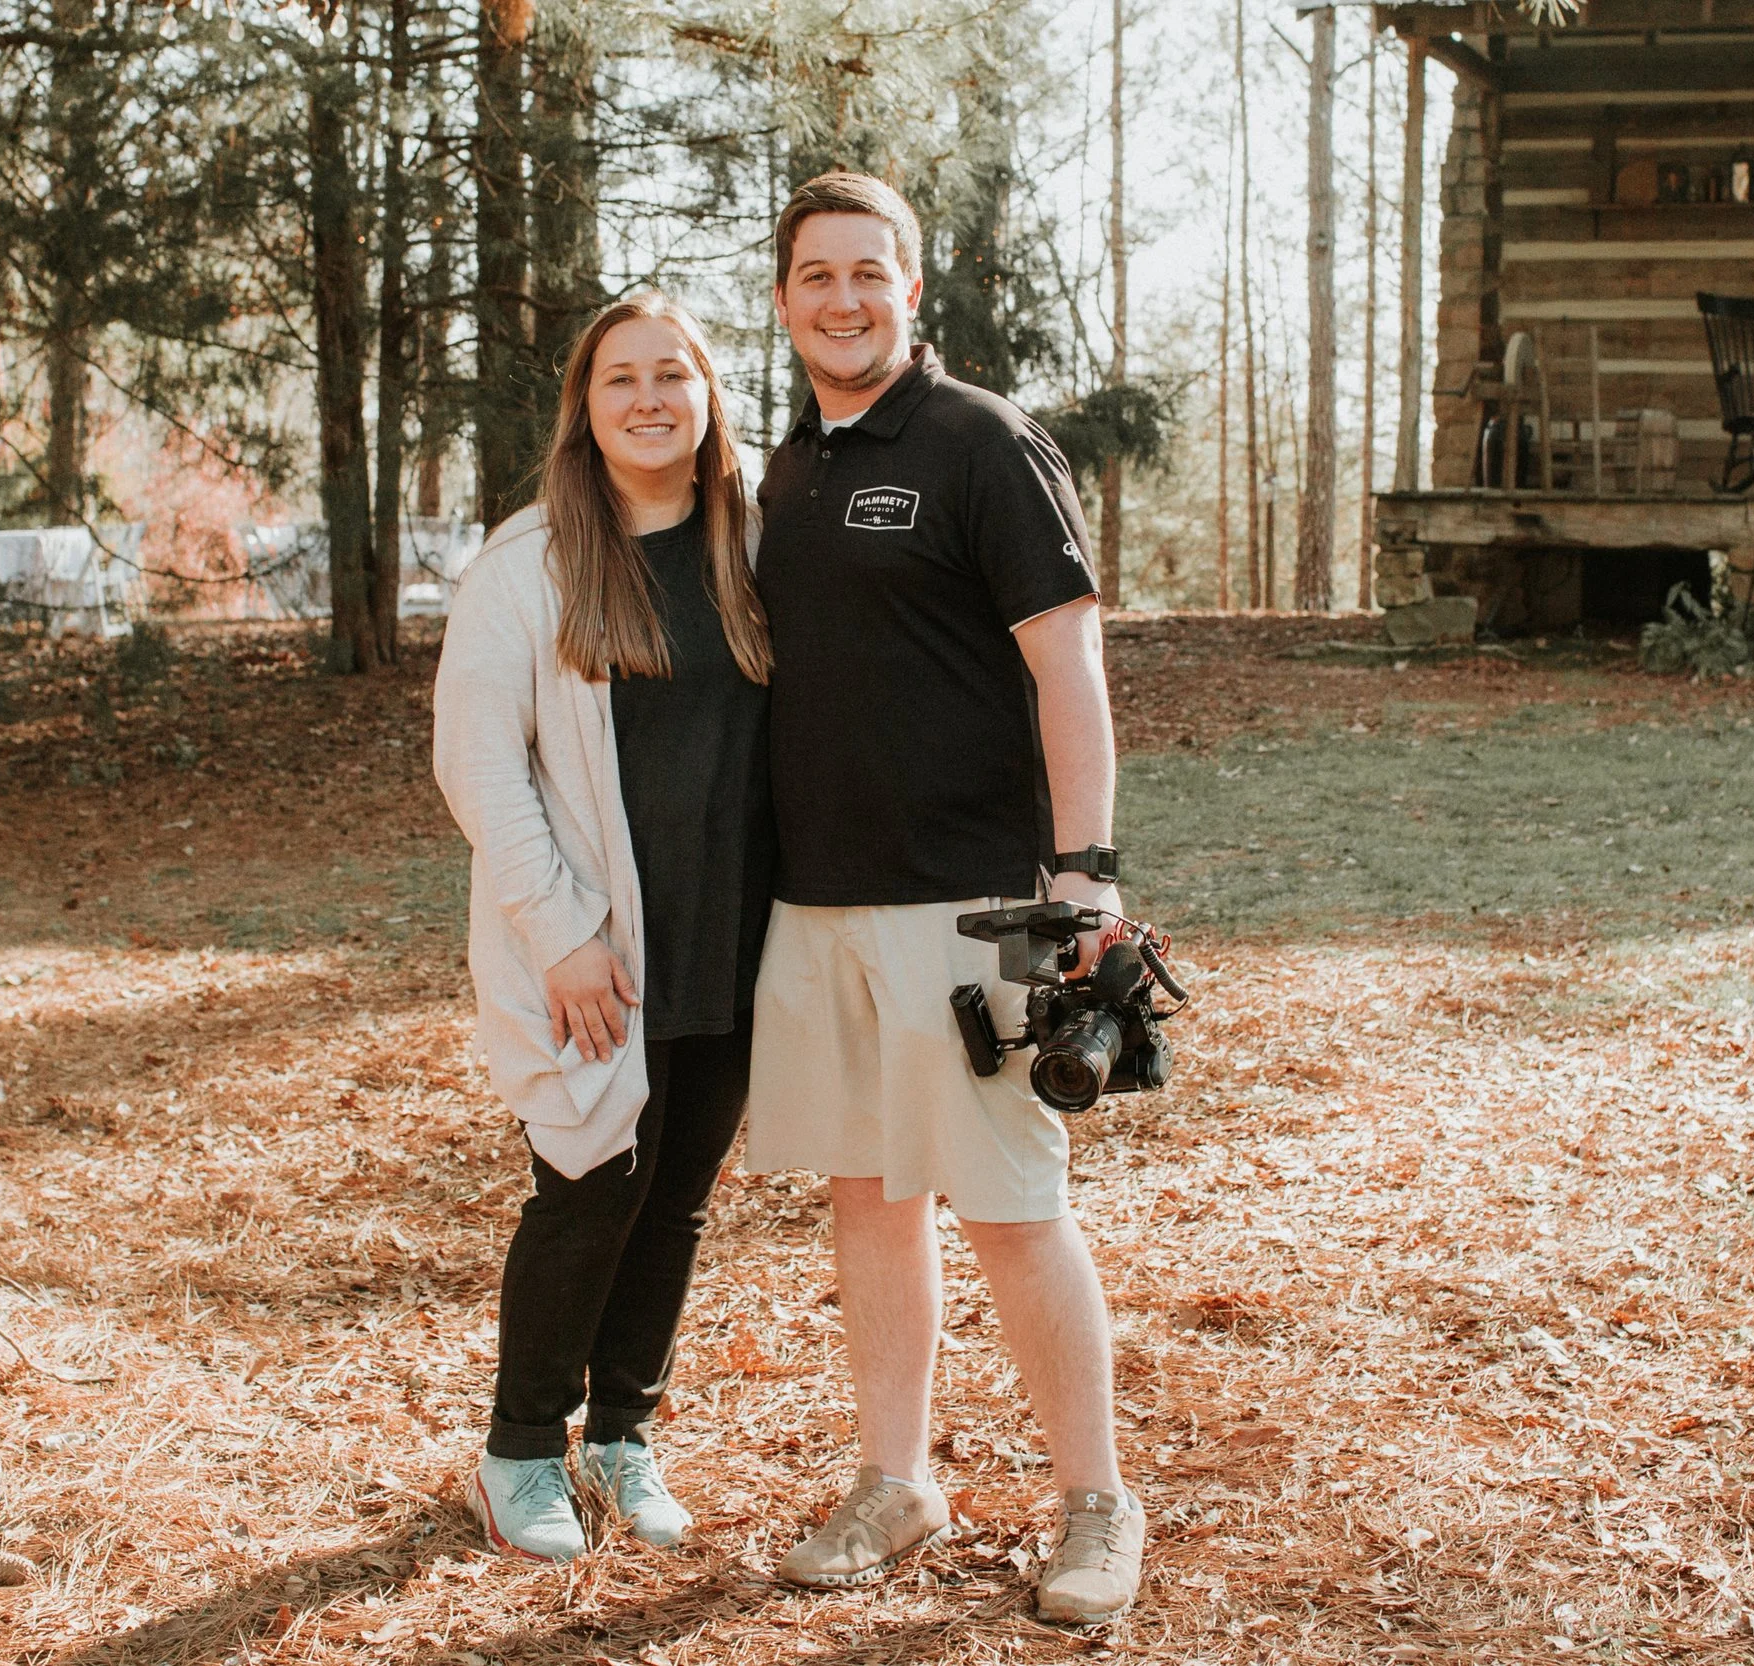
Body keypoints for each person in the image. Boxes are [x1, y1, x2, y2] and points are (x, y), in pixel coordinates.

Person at [744, 173, 1145, 1623]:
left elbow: (1069, 667)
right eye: (815, 276)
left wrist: (1084, 872)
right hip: (817, 904)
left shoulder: (984, 442)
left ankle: (1097, 1500)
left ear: (914, 289)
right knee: (870, 1195)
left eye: (869, 272)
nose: (842, 299)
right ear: (783, 298)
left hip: (972, 906)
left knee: (1012, 1203)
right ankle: (897, 1476)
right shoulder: (784, 468)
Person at [432, 293, 776, 1562]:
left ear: (706, 396)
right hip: (593, 944)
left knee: (675, 1196)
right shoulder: (530, 561)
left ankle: (622, 1433)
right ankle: (519, 1450)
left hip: (732, 935)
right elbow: (479, 765)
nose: (647, 398)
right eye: (619, 378)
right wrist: (562, 931)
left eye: (671, 375)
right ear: (583, 405)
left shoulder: (752, 546)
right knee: (588, 1189)